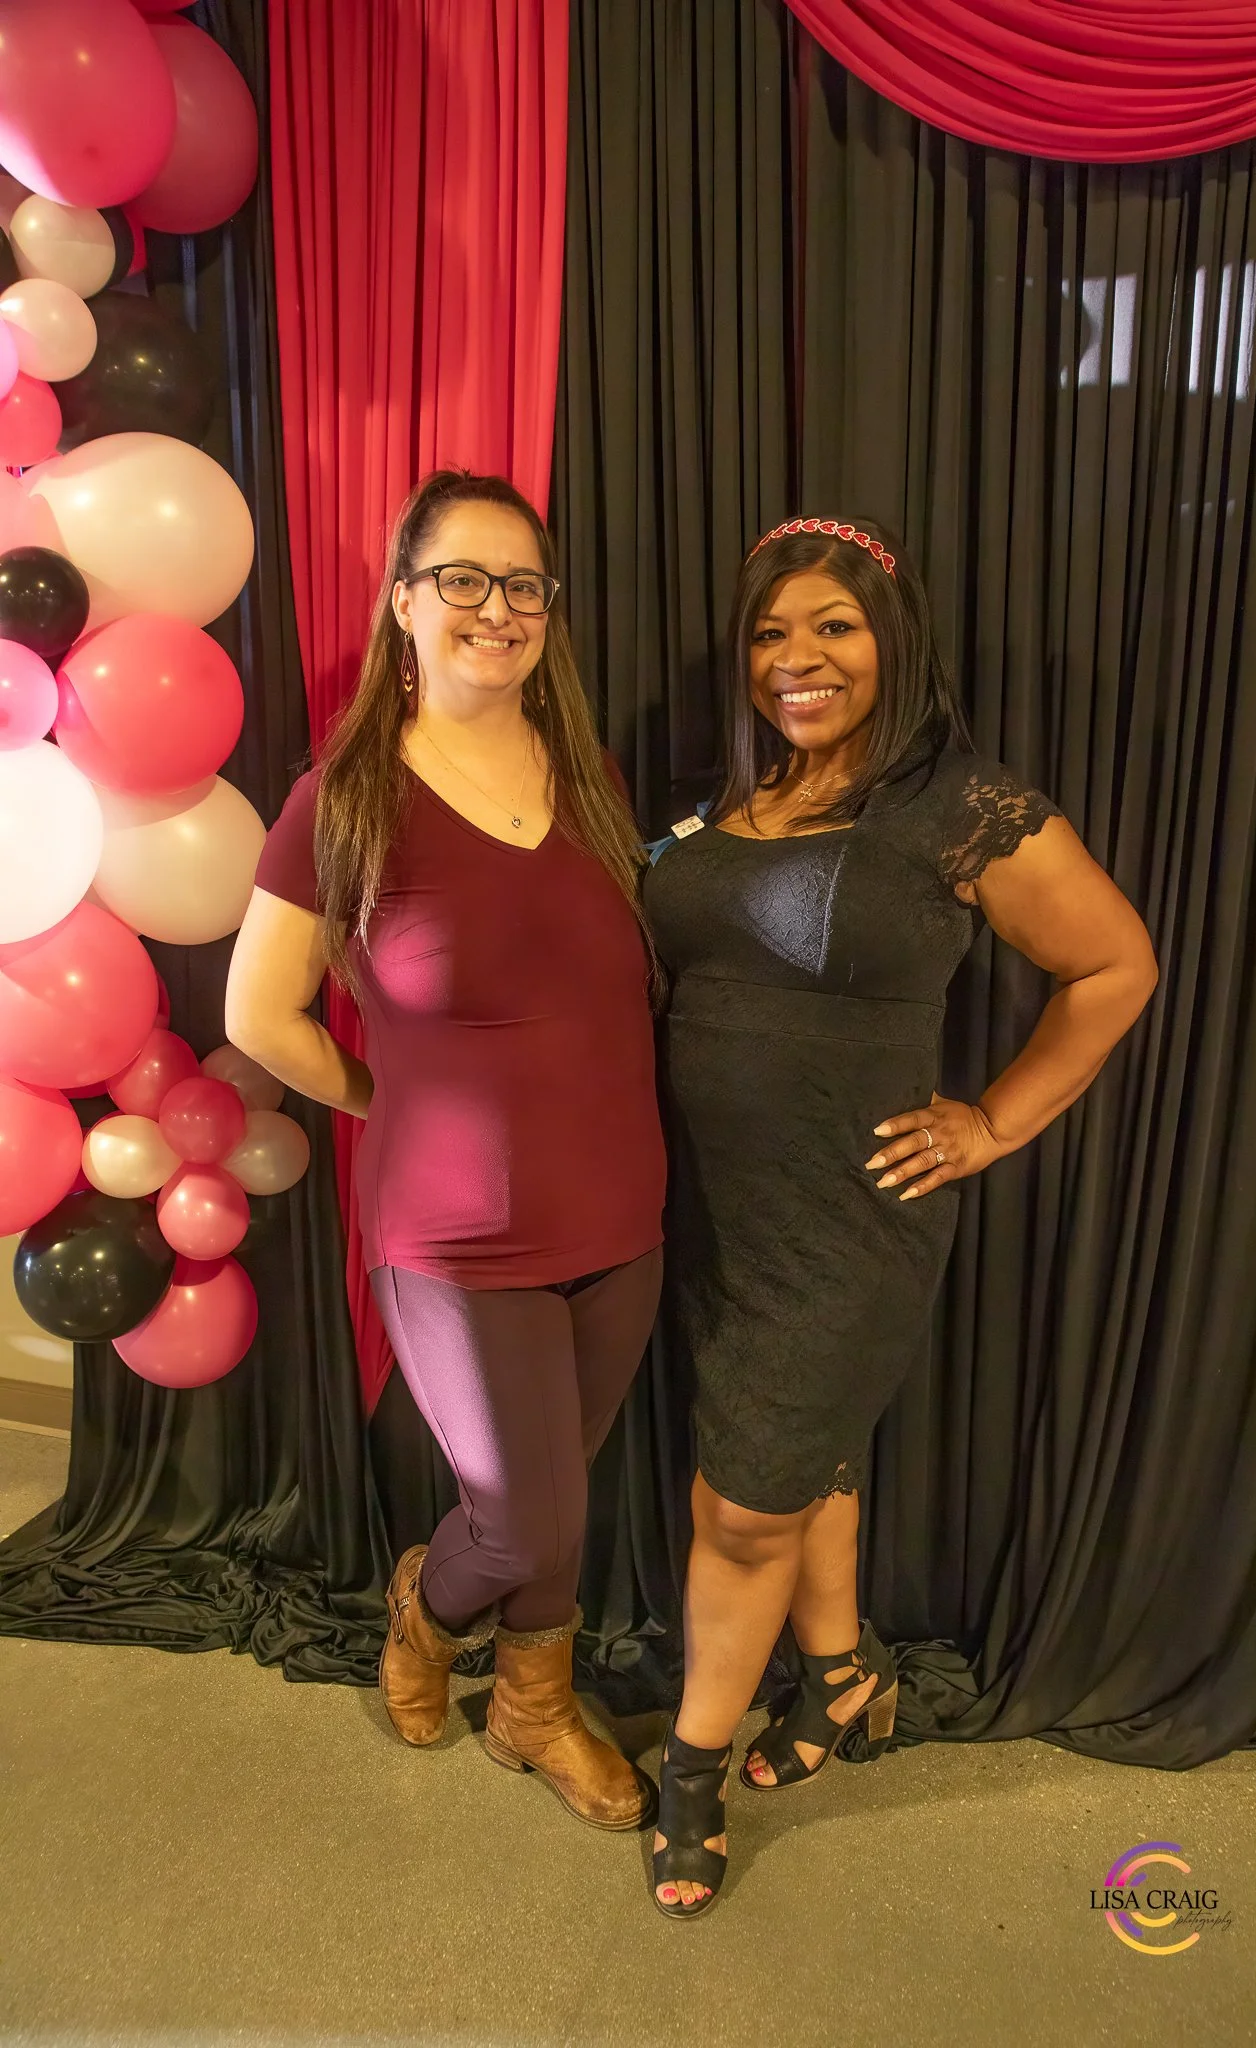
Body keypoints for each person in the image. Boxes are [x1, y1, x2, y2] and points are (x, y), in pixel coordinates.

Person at [642, 514, 1159, 1916]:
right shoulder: (737, 796)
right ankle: (839, 1680)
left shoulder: (956, 803)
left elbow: (1114, 963)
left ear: (894, 640)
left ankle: (688, 1775)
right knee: (800, 1460)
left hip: (847, 1226)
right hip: (712, 1216)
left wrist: (994, 1121)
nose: (795, 657)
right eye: (768, 632)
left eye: (833, 626)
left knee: (742, 1506)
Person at [226, 469, 665, 1830]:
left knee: (559, 1495)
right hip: (456, 1234)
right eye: (462, 578)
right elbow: (259, 1016)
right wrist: (391, 1098)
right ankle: (426, 1612)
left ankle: (530, 1707)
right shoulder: (341, 799)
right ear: (403, 602)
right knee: (526, 1519)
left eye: (524, 583)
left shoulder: (590, 778)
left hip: (623, 1212)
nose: (497, 607)